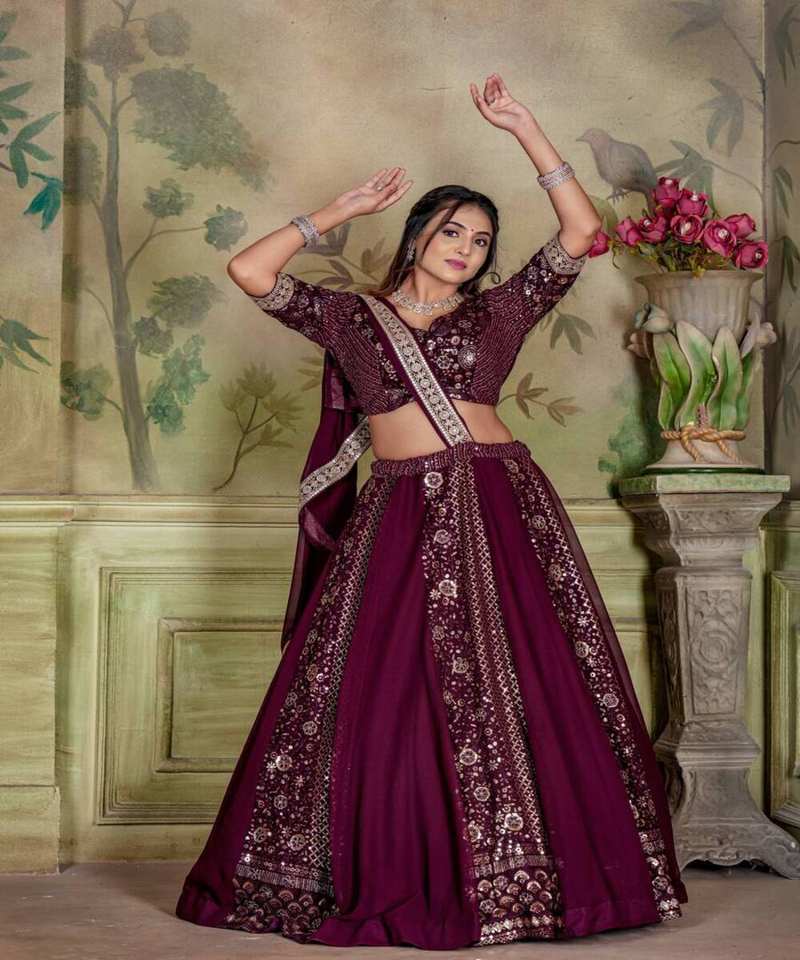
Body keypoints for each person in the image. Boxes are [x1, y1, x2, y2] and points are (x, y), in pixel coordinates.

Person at [175, 73, 688, 949]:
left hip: (497, 499)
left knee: (525, 683)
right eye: (452, 231)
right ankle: (404, 867)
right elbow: (250, 271)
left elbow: (580, 233)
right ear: (419, 236)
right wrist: (335, 213)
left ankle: (533, 880)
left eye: (481, 241)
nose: (466, 249)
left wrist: (527, 129)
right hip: (400, 507)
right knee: (383, 694)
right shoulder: (349, 319)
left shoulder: (498, 315)